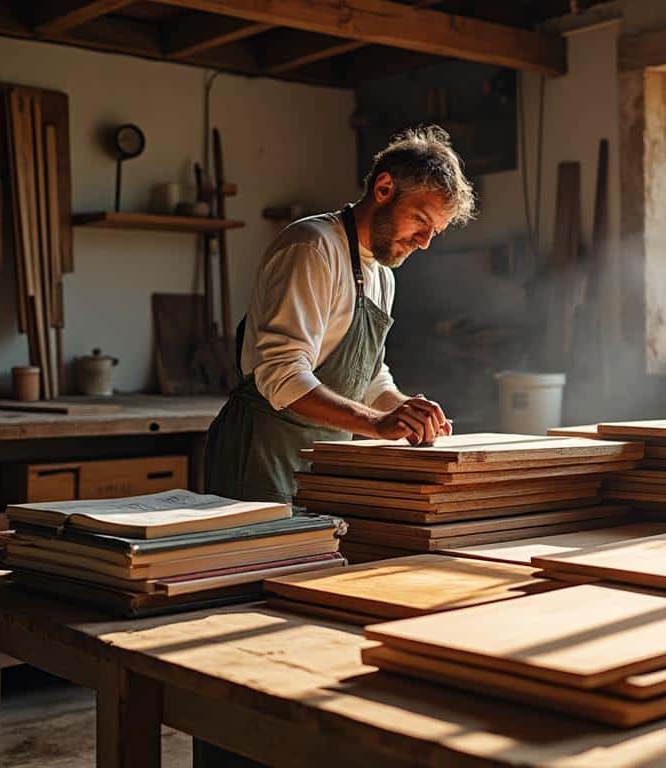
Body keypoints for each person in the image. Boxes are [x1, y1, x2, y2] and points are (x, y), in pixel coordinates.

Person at [195, 127, 475, 767]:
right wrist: (373, 425)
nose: (425, 241)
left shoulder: (380, 273)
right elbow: (284, 374)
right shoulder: (311, 246)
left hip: (319, 463)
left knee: (298, 628)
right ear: (383, 189)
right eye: (420, 221)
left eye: (436, 230)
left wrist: (400, 409)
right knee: (234, 632)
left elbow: (365, 374)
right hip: (260, 456)